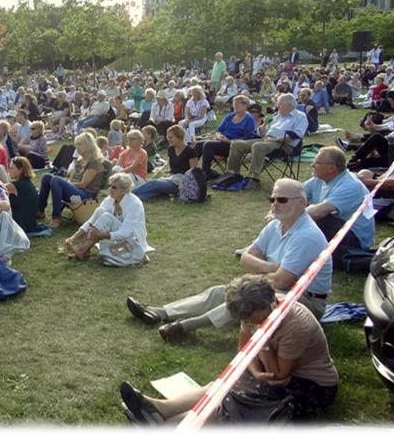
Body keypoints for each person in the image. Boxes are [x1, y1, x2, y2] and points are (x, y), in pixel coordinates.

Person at [125, 178, 332, 341]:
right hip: (277, 288)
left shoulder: (307, 236)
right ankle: (159, 312)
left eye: (282, 200)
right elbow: (246, 258)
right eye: (272, 199)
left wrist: (258, 273)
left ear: (302, 203)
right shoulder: (276, 225)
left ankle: (184, 326)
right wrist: (270, 266)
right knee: (218, 292)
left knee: (244, 297)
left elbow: (281, 282)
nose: (275, 204)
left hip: (306, 301)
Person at [120, 274, 338, 425]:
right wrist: (253, 371)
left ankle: (169, 426)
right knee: (225, 384)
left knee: (233, 399)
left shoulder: (295, 324)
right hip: (271, 369)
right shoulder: (254, 313)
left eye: (257, 320)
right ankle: (160, 409)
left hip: (311, 387)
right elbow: (243, 350)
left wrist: (262, 347)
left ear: (271, 301)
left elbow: (278, 375)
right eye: (247, 320)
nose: (252, 323)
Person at [303, 146, 375, 265]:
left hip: (355, 238)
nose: (312, 165)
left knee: (317, 219)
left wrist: (285, 216)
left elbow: (318, 212)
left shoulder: (350, 186)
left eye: (316, 163)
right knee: (306, 218)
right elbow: (295, 194)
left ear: (331, 168)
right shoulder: (320, 178)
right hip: (340, 226)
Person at [63, 172, 152, 266]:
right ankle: (84, 250)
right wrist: (73, 237)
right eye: (110, 186)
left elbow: (125, 232)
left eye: (114, 187)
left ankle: (83, 250)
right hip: (117, 234)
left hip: (133, 237)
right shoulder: (110, 199)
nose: (110, 189)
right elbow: (92, 220)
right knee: (100, 212)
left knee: (106, 217)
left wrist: (102, 235)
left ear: (124, 190)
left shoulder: (134, 204)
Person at [223, 93, 309, 190]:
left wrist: (275, 139)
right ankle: (233, 173)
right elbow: (259, 133)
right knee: (236, 144)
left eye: (279, 104)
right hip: (266, 140)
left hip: (283, 144)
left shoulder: (300, 116)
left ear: (288, 105)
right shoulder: (276, 115)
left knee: (258, 146)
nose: (277, 106)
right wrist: (264, 124)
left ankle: (254, 178)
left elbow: (297, 134)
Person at [37, 132, 105, 228]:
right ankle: (40, 210)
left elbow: (83, 184)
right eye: (76, 144)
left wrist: (65, 184)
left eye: (80, 144)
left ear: (88, 146)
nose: (77, 147)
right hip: (76, 190)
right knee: (46, 177)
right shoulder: (80, 160)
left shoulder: (94, 162)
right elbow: (71, 178)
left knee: (56, 180)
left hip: (85, 195)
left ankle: (56, 217)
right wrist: (67, 183)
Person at [198, 94, 258, 179]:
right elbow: (218, 130)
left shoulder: (249, 119)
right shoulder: (230, 116)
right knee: (198, 144)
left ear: (246, 105)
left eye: (238, 103)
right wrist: (220, 136)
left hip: (234, 146)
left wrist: (229, 141)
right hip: (221, 141)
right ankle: (193, 171)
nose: (235, 105)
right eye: (234, 103)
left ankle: (206, 173)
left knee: (208, 144)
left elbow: (248, 137)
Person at [132, 124, 197, 201]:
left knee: (153, 183)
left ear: (179, 137)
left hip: (181, 182)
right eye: (167, 137)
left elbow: (193, 173)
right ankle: (134, 199)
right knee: (154, 191)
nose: (168, 139)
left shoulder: (190, 151)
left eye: (171, 137)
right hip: (171, 178)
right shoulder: (171, 149)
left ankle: (127, 195)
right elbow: (173, 169)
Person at [6, 156, 40, 233]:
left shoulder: (16, 185)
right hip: (30, 223)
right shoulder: (27, 183)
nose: (9, 170)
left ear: (20, 170)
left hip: (22, 224)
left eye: (12, 168)